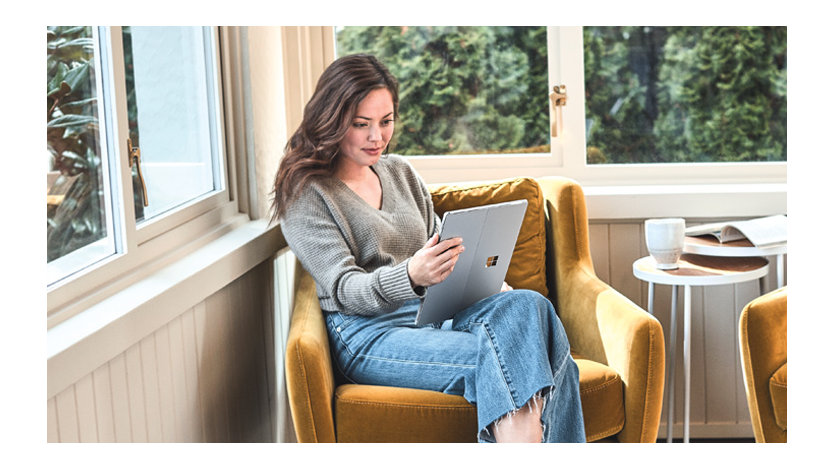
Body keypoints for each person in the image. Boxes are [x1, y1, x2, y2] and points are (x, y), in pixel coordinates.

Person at [271, 53, 585, 443]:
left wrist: (486, 281)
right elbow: (344, 289)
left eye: (386, 122)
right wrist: (410, 276)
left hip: (436, 314)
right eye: (361, 125)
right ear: (331, 120)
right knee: (531, 358)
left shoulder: (399, 172)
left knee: (529, 305)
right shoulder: (307, 193)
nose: (377, 138)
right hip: (370, 333)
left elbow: (440, 241)